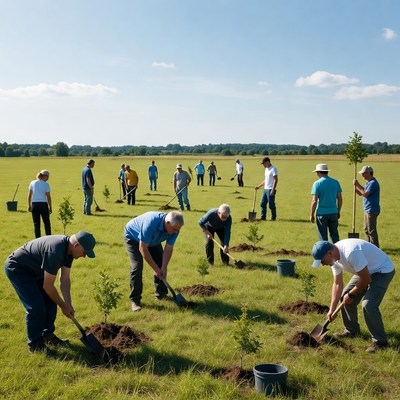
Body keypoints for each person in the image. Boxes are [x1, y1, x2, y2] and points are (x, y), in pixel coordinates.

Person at [4, 231, 96, 354]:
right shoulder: (56, 251)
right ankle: (35, 345)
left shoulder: (69, 252)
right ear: (76, 245)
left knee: (51, 301)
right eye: (84, 252)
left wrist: (68, 303)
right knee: (36, 307)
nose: (84, 256)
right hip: (18, 268)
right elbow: (48, 286)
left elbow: (64, 279)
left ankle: (47, 335)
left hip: (35, 269)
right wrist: (63, 306)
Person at [311, 239, 395, 353]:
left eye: (322, 260)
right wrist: (332, 308)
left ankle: (380, 342)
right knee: (344, 296)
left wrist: (351, 295)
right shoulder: (334, 258)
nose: (323, 264)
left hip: (382, 270)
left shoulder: (351, 253)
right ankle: (352, 331)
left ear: (329, 253)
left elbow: (366, 280)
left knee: (368, 305)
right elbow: (337, 284)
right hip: (364, 270)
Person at [124, 211, 184, 311]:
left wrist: (163, 267)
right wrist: (155, 269)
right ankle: (135, 300)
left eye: (177, 230)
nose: (175, 232)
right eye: (174, 229)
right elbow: (143, 248)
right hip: (133, 238)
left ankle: (161, 294)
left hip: (153, 240)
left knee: (161, 264)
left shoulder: (175, 229)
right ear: (167, 223)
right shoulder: (151, 223)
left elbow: (168, 249)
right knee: (137, 266)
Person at [310, 163, 342, 243]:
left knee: (323, 237)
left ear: (319, 172)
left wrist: (311, 214)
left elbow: (314, 201)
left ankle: (325, 254)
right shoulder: (336, 182)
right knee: (335, 235)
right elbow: (340, 199)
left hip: (321, 213)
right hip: (333, 212)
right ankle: (338, 252)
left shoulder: (317, 183)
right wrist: (338, 211)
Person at [354, 166, 380, 248]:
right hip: (367, 209)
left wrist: (357, 185)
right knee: (366, 229)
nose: (362, 175)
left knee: (371, 230)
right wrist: (356, 189)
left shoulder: (373, 183)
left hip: (371, 210)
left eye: (363, 173)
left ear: (368, 173)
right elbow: (362, 193)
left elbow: (365, 194)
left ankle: (375, 247)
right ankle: (368, 246)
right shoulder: (369, 182)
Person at [28, 169, 52, 238]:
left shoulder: (32, 183)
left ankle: (37, 240)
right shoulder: (46, 184)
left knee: (36, 224)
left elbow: (29, 196)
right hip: (43, 205)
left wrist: (29, 205)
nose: (48, 178)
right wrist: (50, 207)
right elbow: (48, 197)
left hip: (34, 205)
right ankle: (49, 238)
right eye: (48, 177)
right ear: (45, 176)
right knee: (47, 223)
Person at [255, 157, 278, 221]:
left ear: (268, 162)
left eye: (264, 163)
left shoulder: (273, 169)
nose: (263, 165)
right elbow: (265, 180)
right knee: (262, 203)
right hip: (265, 189)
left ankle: (273, 218)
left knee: (271, 204)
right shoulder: (266, 169)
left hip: (270, 189)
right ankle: (263, 217)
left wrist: (273, 190)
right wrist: (258, 186)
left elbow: (276, 180)